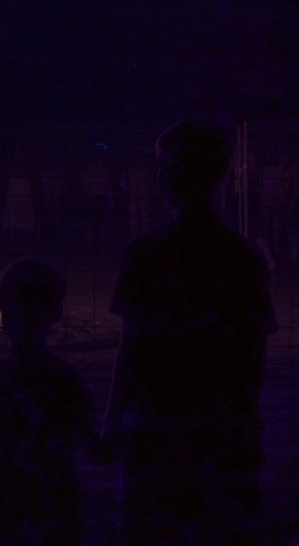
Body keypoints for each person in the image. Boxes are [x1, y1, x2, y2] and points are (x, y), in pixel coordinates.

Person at [102, 120, 277, 544]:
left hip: (157, 425)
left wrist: (112, 423)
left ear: (169, 177)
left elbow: (132, 347)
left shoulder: (146, 254)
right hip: (223, 428)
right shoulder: (243, 258)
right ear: (223, 176)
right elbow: (253, 354)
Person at [0, 259, 97, 546]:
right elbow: (92, 446)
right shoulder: (67, 382)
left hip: (4, 514)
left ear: (3, 317)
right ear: (56, 314)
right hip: (56, 510)